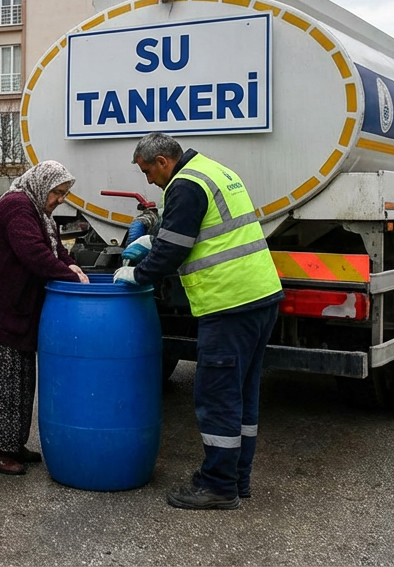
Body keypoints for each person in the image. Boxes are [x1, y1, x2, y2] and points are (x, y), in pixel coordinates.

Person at [114, 132, 283, 510]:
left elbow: (175, 248)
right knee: (242, 395)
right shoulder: (213, 171)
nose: (147, 180)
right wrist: (152, 239)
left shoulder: (185, 184)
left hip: (228, 303)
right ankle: (237, 479)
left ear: (162, 161)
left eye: (146, 171)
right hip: (260, 296)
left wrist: (139, 274)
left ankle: (219, 486)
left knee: (217, 395)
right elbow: (195, 231)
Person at [0, 161, 88, 475]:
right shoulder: (17, 207)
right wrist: (69, 276)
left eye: (64, 194)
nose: (60, 199)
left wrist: (73, 266)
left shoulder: (41, 213)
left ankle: (12, 443)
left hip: (13, 308)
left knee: (19, 380)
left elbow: (55, 250)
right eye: (58, 192)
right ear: (41, 185)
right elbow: (34, 254)